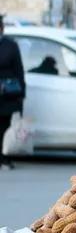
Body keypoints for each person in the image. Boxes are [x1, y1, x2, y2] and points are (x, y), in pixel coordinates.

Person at [0, 15, 26, 169]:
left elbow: (19, 70)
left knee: (4, 127)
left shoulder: (11, 46)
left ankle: (4, 157)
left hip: (7, 95)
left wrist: (21, 94)